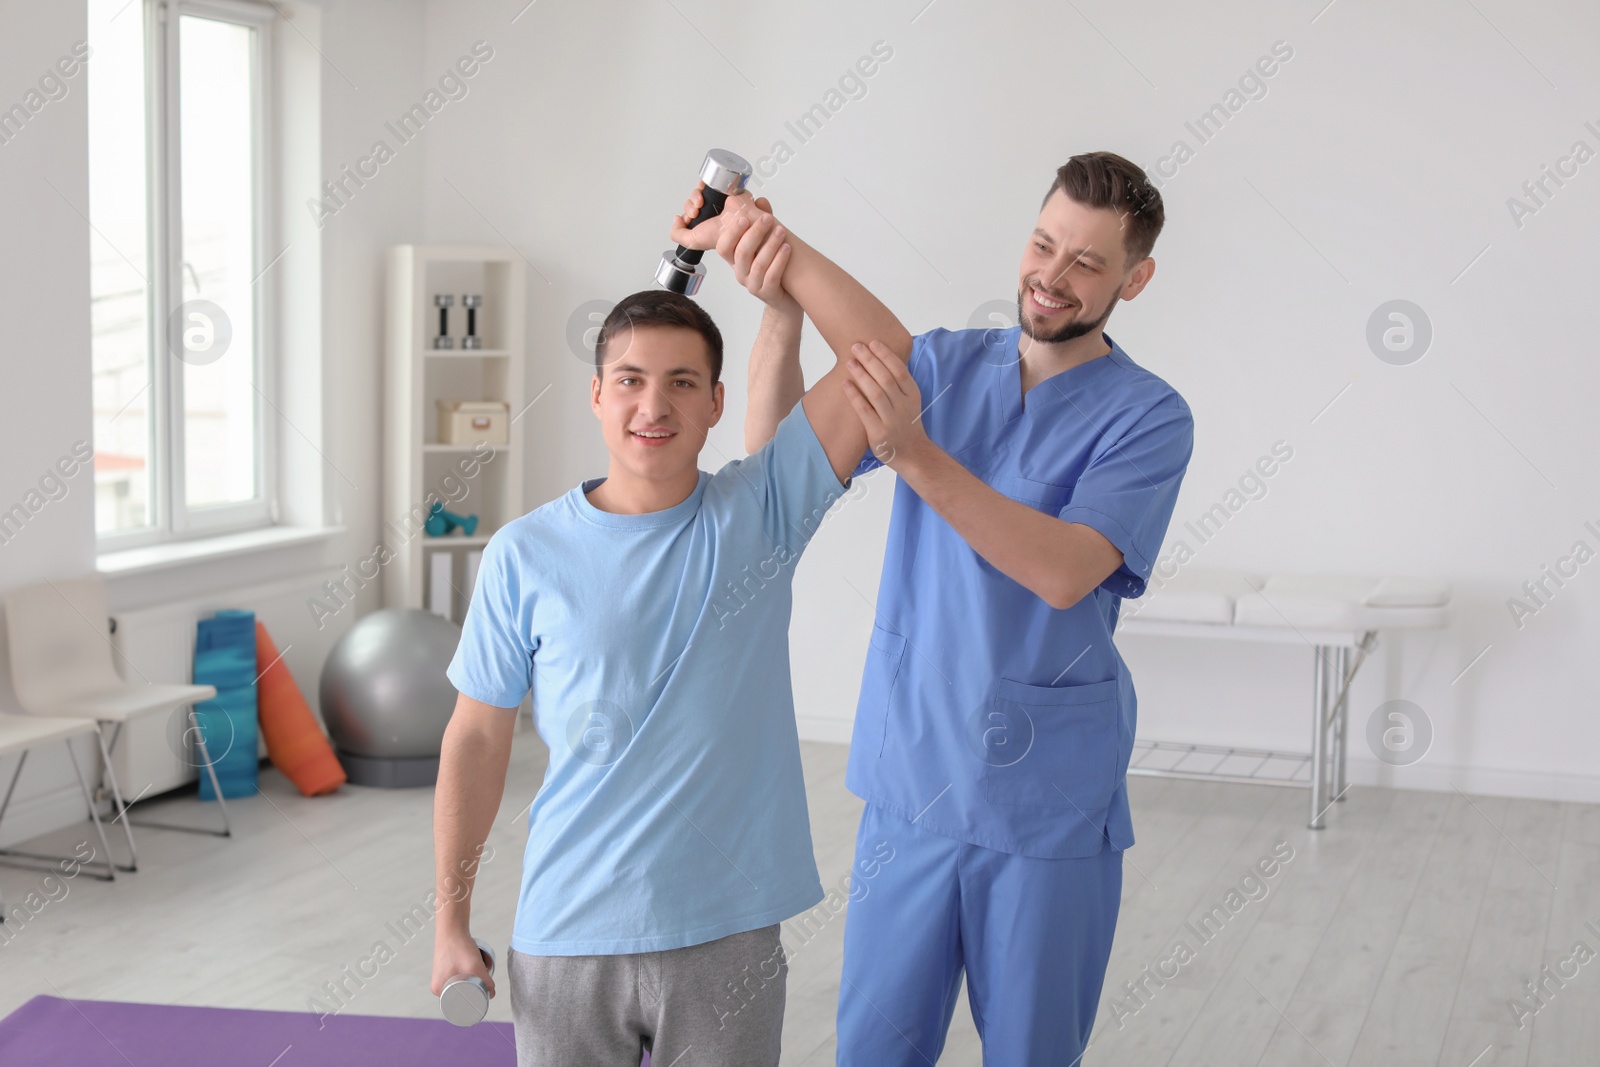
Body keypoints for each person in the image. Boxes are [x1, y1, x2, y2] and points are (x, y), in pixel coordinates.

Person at [678, 151, 1193, 1065]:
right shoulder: (949, 365)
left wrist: (915, 454)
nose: (1053, 275)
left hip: (1047, 810)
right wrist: (777, 297)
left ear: (1137, 278)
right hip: (911, 787)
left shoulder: (1147, 415)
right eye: (1045, 244)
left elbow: (1068, 570)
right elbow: (773, 462)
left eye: (1089, 262)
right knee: (875, 1049)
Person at [429, 203, 900, 1066]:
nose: (656, 403)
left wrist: (770, 250)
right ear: (598, 394)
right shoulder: (524, 554)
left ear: (716, 402)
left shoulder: (761, 514)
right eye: (634, 379)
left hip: (726, 936)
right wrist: (450, 921)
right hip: (568, 934)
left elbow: (887, 356)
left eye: (684, 381)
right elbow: (476, 739)